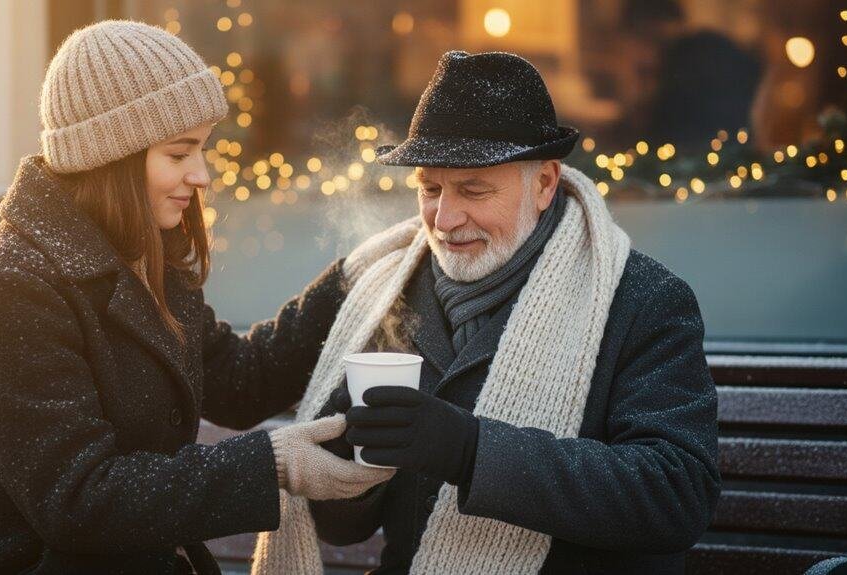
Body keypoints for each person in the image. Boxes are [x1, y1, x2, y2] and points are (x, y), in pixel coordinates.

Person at [0, 20, 390, 575]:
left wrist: (353, 277)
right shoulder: (14, 288)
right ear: (112, 157)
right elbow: (80, 498)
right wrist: (273, 462)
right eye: (179, 154)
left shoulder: (140, 256)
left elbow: (239, 380)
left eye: (201, 150)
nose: (200, 175)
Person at [251, 51, 720, 575]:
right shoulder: (382, 289)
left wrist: (471, 450)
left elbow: (676, 495)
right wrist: (347, 457)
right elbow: (342, 529)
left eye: (474, 190)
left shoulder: (642, 298)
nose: (445, 219)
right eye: (430, 189)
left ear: (544, 183)